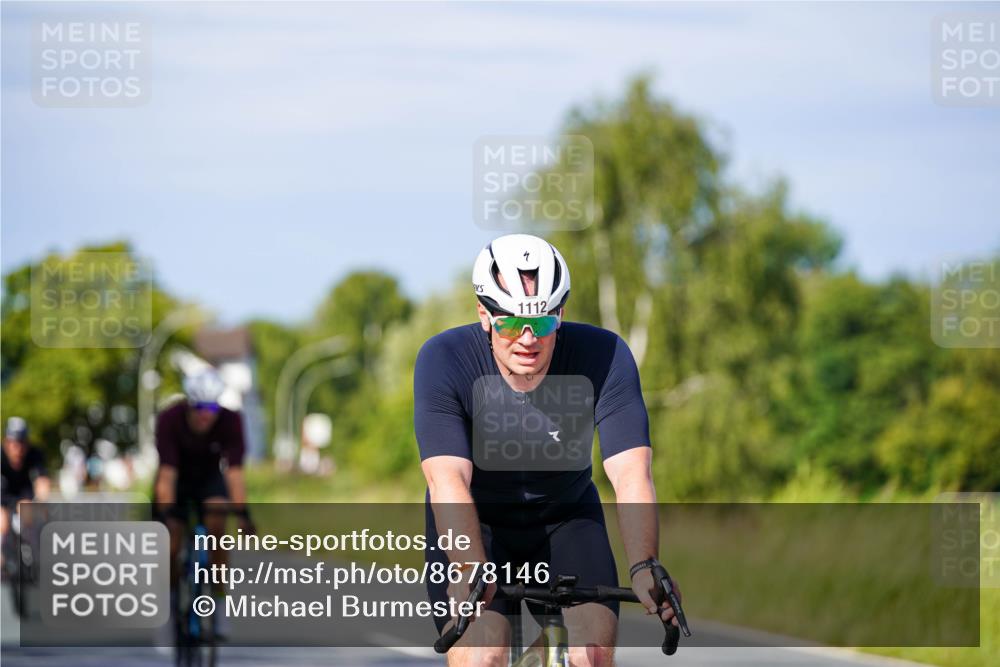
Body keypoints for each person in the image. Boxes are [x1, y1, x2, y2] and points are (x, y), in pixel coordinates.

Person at [415, 234, 680, 667]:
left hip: (566, 518)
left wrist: (644, 564)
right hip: (477, 522)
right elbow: (447, 480)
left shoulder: (605, 355)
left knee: (591, 652)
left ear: (561, 314)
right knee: (486, 650)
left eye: (541, 323)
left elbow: (631, 473)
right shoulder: (444, 359)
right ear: (484, 313)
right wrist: (467, 568)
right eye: (509, 323)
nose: (526, 339)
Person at [153, 368, 252, 640]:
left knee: (218, 524)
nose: (205, 414)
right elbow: (166, 474)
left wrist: (243, 514)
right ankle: (170, 601)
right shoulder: (169, 419)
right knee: (171, 538)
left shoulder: (231, 421)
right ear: (188, 404)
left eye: (211, 407)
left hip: (209, 478)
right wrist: (166, 513)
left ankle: (218, 606)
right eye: (198, 407)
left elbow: (234, 473)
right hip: (177, 479)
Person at [1, 417, 51, 567]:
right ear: (6, 442)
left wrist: (37, 504)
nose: (17, 448)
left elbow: (42, 483)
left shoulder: (35, 454)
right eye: (13, 443)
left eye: (21, 442)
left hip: (25, 498)